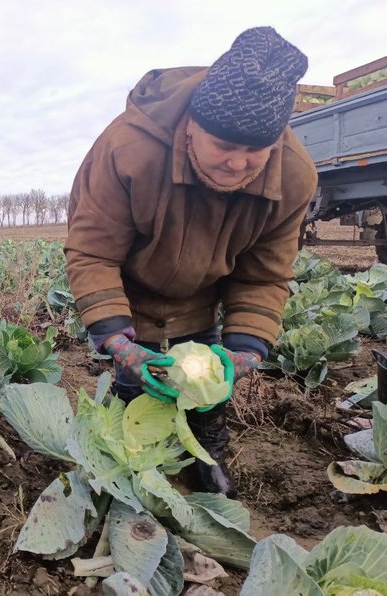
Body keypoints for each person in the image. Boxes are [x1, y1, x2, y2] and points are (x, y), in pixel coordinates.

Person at [65, 27, 318, 497]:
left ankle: (209, 446)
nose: (238, 164)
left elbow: (264, 274)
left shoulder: (294, 175)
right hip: (133, 285)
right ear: (191, 126)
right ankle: (132, 454)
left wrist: (244, 352)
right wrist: (123, 348)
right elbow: (93, 252)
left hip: (205, 292)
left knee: (204, 386)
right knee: (137, 388)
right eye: (223, 145)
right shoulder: (128, 149)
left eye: (254, 152)